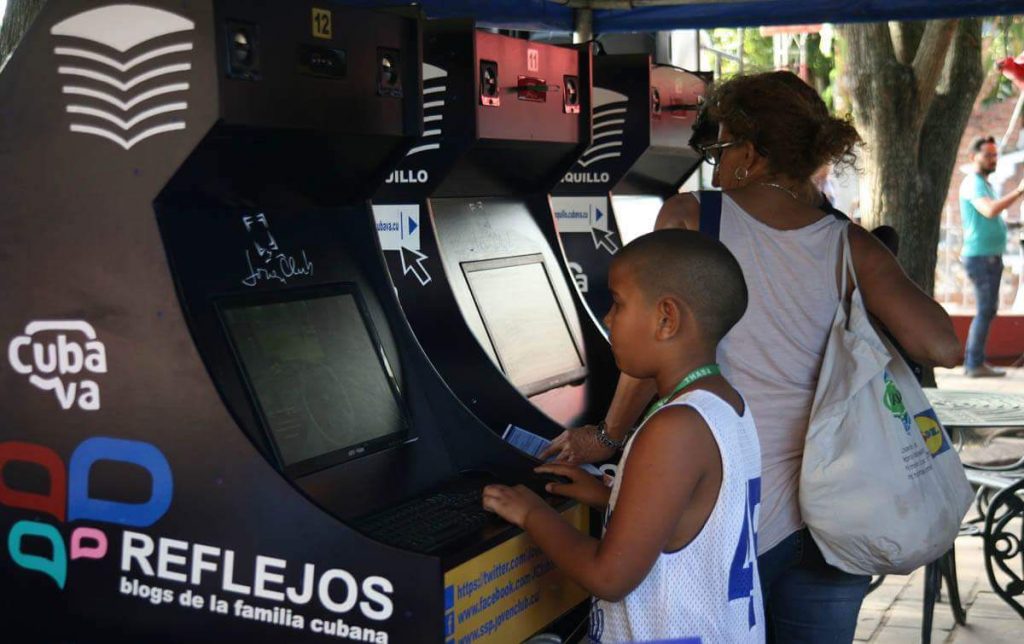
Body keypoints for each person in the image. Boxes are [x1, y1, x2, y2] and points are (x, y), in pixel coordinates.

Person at [542, 71, 962, 643]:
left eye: (719, 150)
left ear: (751, 152)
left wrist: (609, 436)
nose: (716, 168)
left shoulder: (694, 216)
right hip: (833, 513)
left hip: (726, 510)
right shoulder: (846, 243)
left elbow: (656, 352)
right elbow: (942, 345)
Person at [483, 230, 764, 643]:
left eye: (618, 303)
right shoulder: (726, 404)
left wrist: (532, 514)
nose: (609, 320)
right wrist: (608, 495)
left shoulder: (675, 427)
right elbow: (694, 518)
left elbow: (609, 576)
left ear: (666, 318)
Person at [959, 135, 1021, 377]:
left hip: (990, 256)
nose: (993, 159)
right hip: (980, 257)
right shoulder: (973, 182)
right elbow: (989, 210)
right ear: (973, 157)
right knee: (985, 310)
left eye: (995, 155)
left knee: (988, 310)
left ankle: (976, 362)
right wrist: (1018, 191)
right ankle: (974, 364)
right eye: (988, 155)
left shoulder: (984, 183)